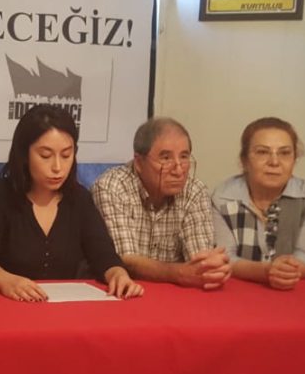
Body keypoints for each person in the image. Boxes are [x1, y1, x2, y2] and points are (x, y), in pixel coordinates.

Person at [0, 105, 143, 301]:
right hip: (10, 304)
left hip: (64, 308)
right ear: (24, 154)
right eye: (45, 156)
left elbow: (103, 255)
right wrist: (5, 280)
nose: (57, 167)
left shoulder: (79, 199)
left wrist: (118, 274)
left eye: (66, 155)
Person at [92, 117, 231, 289]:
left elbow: (198, 260)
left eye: (184, 157)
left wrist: (212, 268)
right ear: (139, 163)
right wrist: (178, 273)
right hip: (125, 291)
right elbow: (124, 260)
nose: (178, 170)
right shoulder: (112, 186)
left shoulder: (195, 191)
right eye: (166, 158)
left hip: (174, 295)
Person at [212, 117, 305, 290]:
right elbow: (224, 257)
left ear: (295, 159)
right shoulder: (223, 196)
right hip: (238, 291)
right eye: (262, 152)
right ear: (244, 161)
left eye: (284, 153)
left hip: (293, 292)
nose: (274, 162)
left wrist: (286, 273)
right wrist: (265, 271)